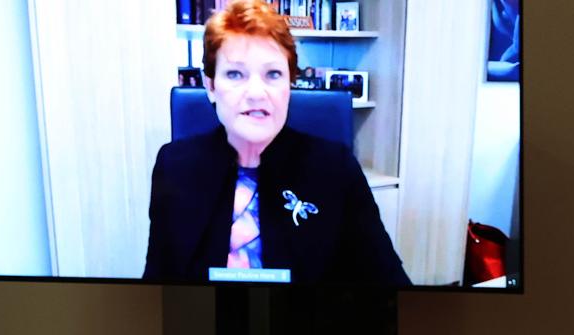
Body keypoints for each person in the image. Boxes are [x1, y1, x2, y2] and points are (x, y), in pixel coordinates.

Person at [143, 0, 410, 286]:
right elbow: (158, 286)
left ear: (289, 84)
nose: (257, 92)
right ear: (210, 87)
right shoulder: (174, 166)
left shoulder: (336, 168)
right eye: (235, 74)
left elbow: (390, 286)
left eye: (273, 74)